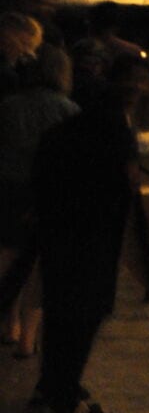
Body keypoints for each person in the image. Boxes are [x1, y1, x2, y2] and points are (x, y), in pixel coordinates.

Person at [30, 57, 149, 413]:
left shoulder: (63, 133)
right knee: (84, 316)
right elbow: (130, 196)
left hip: (58, 234)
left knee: (60, 311)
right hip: (93, 241)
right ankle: (65, 396)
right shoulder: (117, 136)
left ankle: (52, 384)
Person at [0, 46, 80, 356]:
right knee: (41, 267)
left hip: (9, 187)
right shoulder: (69, 110)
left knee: (8, 254)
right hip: (51, 192)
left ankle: (10, 323)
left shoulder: (8, 106)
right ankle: (27, 340)